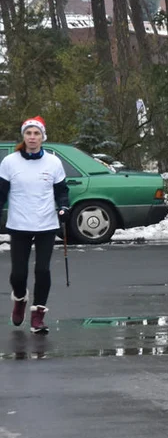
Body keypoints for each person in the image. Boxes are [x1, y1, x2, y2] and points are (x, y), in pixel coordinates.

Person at [0, 117, 69, 334]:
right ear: (24, 136)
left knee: (42, 270)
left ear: (42, 137)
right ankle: (20, 299)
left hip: (46, 224)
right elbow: (1, 193)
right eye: (28, 133)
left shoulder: (53, 162)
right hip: (19, 224)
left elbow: (62, 191)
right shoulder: (10, 162)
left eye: (36, 134)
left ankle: (38, 315)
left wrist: (64, 207)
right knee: (18, 274)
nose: (32, 137)